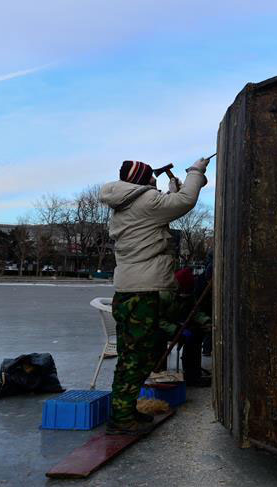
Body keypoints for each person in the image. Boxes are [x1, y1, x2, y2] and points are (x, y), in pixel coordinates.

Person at [99, 158, 209, 435]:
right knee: (137, 358)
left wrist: (171, 189)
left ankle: (124, 409)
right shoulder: (147, 202)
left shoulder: (128, 203)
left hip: (130, 291)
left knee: (133, 355)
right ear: (143, 181)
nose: (154, 184)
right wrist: (196, 171)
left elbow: (163, 206)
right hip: (143, 292)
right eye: (152, 180)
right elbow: (185, 202)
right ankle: (122, 417)